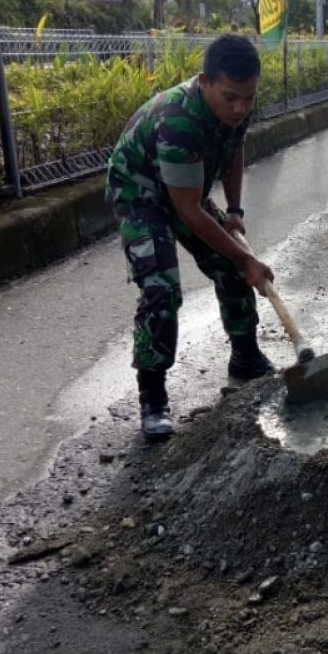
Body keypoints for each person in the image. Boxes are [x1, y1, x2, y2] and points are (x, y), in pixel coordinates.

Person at [106, 33, 275, 439]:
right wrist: (245, 257)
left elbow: (234, 152)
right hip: (141, 191)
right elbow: (188, 211)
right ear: (205, 82)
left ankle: (245, 356)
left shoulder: (239, 107)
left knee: (232, 267)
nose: (240, 107)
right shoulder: (179, 120)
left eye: (248, 98)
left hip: (186, 189)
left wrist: (235, 212)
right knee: (162, 289)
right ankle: (152, 398)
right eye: (230, 97)